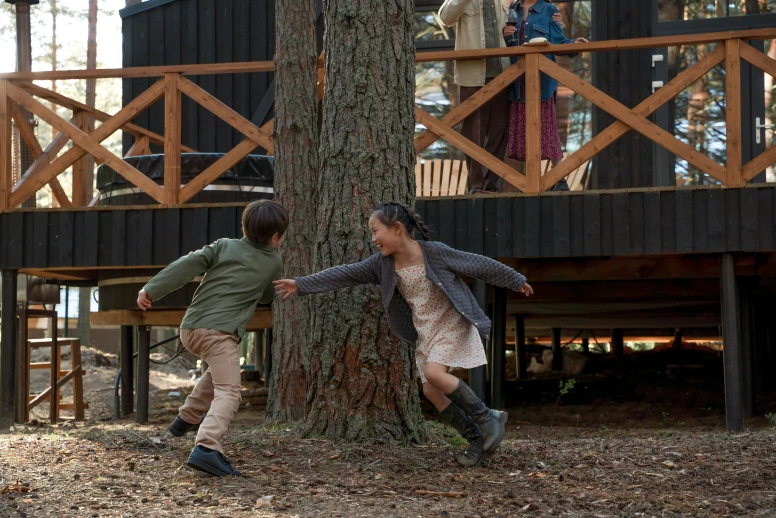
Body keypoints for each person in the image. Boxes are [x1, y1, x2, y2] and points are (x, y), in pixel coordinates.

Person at [274, 202, 533, 466]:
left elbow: (477, 264)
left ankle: (487, 417)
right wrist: (301, 284)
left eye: (376, 231)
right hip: (426, 331)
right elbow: (345, 274)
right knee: (432, 390)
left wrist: (514, 279)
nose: (373, 239)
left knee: (434, 374)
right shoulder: (381, 265)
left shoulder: (435, 253)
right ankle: (478, 440)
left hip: (451, 323)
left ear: (397, 228)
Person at [136, 200, 288, 477]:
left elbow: (187, 265)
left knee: (221, 374)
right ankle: (206, 447)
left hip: (191, 329)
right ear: (276, 237)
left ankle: (186, 418)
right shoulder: (273, 262)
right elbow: (267, 296)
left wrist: (151, 289)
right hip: (218, 334)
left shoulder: (223, 246)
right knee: (230, 392)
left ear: (243, 227)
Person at [438, 0, 563, 194]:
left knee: (500, 131)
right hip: (473, 75)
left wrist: (552, 19)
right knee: (473, 132)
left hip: (505, 74)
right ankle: (477, 186)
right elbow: (446, 18)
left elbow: (525, 21)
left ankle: (492, 185)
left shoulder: (508, 1)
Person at [503, 0, 588, 191]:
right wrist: (505, 36)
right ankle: (532, 183)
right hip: (518, 81)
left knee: (546, 126)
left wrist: (574, 44)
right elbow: (508, 45)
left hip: (542, 79)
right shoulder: (512, 9)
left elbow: (560, 40)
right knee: (526, 131)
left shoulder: (549, 9)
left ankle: (559, 179)